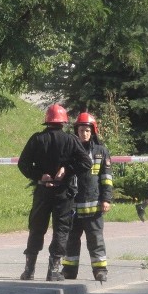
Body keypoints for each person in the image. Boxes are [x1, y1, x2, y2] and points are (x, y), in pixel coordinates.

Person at [18, 104, 93, 281]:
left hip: (43, 192)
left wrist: (39, 176)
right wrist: (66, 170)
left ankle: (29, 270)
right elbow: (86, 163)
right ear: (63, 121)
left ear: (47, 121)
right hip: (63, 193)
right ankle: (53, 271)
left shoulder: (37, 139)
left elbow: (23, 164)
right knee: (61, 229)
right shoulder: (70, 140)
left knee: (36, 228)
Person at [61, 112, 113, 282]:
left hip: (94, 206)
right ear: (76, 131)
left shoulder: (100, 151)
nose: (84, 133)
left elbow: (106, 177)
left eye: (87, 131)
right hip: (73, 207)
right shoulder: (69, 150)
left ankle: (100, 270)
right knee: (70, 240)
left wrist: (106, 199)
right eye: (81, 130)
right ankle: (69, 269)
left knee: (95, 240)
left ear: (92, 132)